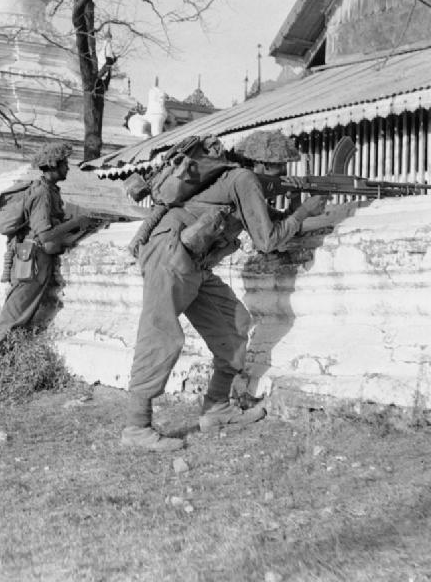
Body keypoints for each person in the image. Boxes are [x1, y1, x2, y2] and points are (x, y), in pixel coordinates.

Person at [121, 130, 327, 452]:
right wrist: (302, 214)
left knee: (234, 327)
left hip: (194, 262)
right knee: (160, 334)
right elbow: (268, 241)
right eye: (280, 167)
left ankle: (217, 409)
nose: (285, 172)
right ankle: (137, 426)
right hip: (170, 254)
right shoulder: (243, 179)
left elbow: (267, 224)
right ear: (262, 163)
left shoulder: (238, 181)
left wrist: (296, 208)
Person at [0, 141, 95, 355]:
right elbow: (44, 234)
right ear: (53, 165)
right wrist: (76, 222)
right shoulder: (42, 193)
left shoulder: (49, 190)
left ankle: (2, 360)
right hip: (32, 259)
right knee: (14, 316)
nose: (67, 168)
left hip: (34, 259)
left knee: (19, 314)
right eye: (64, 164)